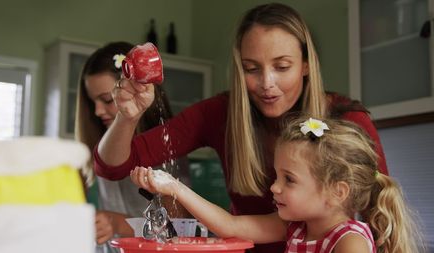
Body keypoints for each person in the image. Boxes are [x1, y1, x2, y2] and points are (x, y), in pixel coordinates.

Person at [94, 3, 388, 252]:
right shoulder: (222, 114)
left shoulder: (348, 124)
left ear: (307, 64)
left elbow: (382, 221)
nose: (267, 83)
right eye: (251, 68)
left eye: (282, 67)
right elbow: (113, 166)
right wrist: (127, 117)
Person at [131, 116, 426, 253]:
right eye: (277, 176)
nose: (273, 188)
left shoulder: (350, 242)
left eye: (289, 179)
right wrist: (174, 187)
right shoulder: (294, 227)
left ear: (337, 192)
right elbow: (230, 227)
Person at [74, 41, 190, 252]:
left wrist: (117, 223)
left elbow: (176, 228)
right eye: (93, 103)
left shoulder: (165, 149)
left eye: (107, 100)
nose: (98, 111)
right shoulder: (102, 149)